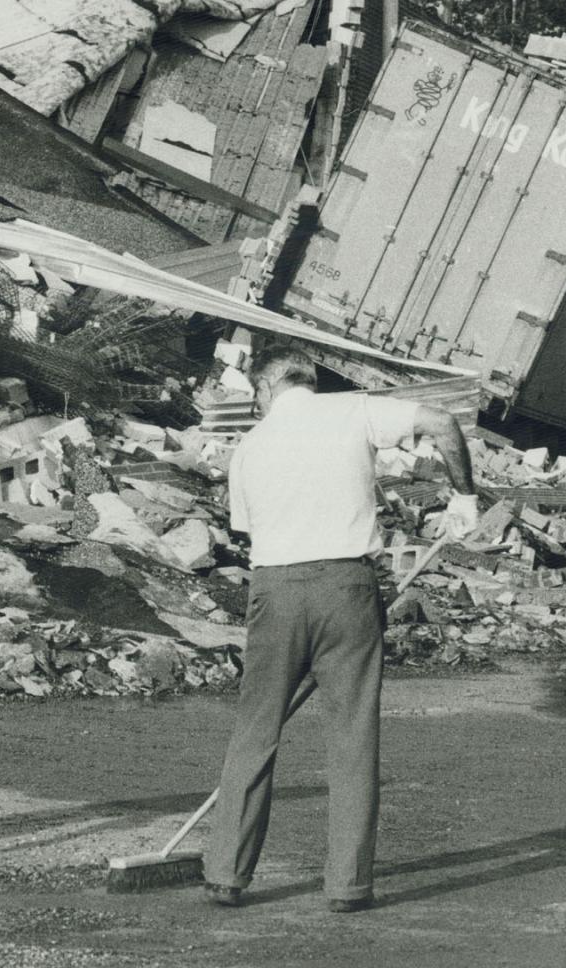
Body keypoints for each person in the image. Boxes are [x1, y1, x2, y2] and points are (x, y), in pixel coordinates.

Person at [203, 348, 479, 913]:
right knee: (352, 737)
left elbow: (249, 530)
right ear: (309, 380)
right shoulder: (354, 411)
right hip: (347, 589)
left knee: (256, 729)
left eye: (256, 397)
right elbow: (444, 423)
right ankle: (347, 886)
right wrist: (465, 497)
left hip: (276, 591)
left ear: (267, 387)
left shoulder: (249, 448)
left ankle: (227, 874)